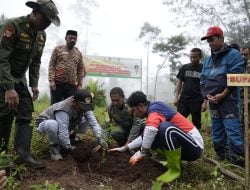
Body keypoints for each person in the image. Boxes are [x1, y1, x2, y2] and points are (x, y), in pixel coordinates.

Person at [0, 0, 60, 168]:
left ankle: (23, 155)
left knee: (26, 111)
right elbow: (2, 59)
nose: (47, 25)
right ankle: (2, 157)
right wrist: (9, 88)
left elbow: (35, 62)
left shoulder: (41, 35)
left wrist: (33, 84)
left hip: (19, 78)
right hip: (3, 75)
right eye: (45, 20)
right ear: (34, 13)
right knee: (5, 112)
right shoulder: (13, 26)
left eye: (50, 22)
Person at [109, 91, 203, 186]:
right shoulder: (152, 113)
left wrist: (142, 152)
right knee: (153, 134)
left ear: (140, 106)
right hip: (185, 146)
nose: (134, 114)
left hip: (194, 146)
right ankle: (172, 163)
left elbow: (150, 130)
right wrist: (126, 147)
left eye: (133, 110)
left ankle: (174, 170)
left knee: (165, 128)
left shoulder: (155, 108)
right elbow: (145, 136)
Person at [200, 26, 245, 166]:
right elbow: (203, 80)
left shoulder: (233, 54)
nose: (210, 43)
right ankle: (222, 155)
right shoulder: (208, 60)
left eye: (212, 40)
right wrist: (206, 96)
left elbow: (236, 76)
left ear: (221, 38)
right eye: (208, 41)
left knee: (232, 129)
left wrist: (223, 94)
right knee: (217, 129)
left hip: (229, 100)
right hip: (214, 101)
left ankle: (238, 159)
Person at [35, 89, 108, 160]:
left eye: (86, 107)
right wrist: (69, 148)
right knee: (52, 125)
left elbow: (94, 124)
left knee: (85, 119)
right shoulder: (64, 109)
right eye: (82, 107)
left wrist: (101, 139)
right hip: (45, 123)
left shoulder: (84, 107)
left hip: (64, 123)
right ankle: (55, 150)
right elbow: (63, 132)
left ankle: (73, 139)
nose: (84, 110)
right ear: (74, 102)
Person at [49, 30, 85, 105]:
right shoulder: (58, 49)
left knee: (69, 107)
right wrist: (51, 81)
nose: (73, 40)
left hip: (71, 86)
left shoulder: (78, 54)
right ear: (66, 38)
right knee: (55, 106)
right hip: (57, 84)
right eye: (70, 38)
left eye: (75, 39)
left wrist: (80, 85)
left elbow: (80, 70)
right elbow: (51, 65)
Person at [174, 48, 205, 130]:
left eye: (195, 57)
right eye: (191, 57)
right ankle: (178, 139)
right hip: (184, 100)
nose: (192, 59)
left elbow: (207, 86)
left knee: (196, 123)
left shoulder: (204, 69)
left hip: (197, 100)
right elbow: (179, 83)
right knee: (178, 121)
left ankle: (196, 141)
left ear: (200, 57)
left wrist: (205, 102)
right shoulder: (185, 67)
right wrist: (176, 97)